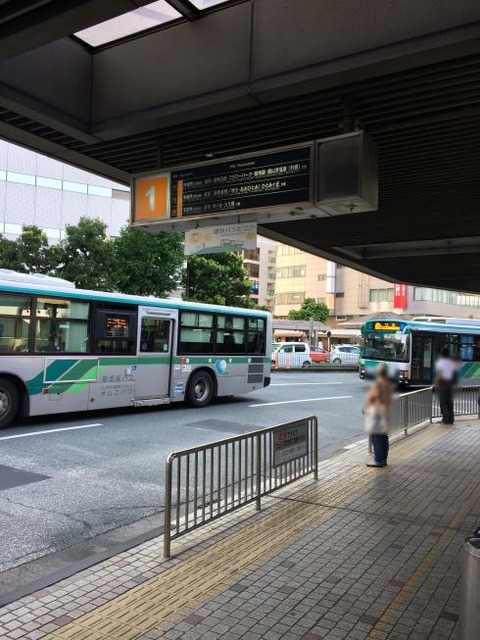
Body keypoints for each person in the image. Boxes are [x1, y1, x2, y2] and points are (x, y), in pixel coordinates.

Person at [364, 364, 393, 467]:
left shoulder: (378, 384)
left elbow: (372, 398)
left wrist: (365, 408)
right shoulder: (388, 384)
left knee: (376, 436)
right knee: (384, 436)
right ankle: (383, 459)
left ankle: (378, 460)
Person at [435, 347, 456, 425]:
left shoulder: (441, 362)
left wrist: (436, 383)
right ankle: (451, 419)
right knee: (450, 402)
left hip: (443, 383)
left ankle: (445, 419)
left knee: (443, 402)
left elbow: (440, 374)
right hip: (450, 383)